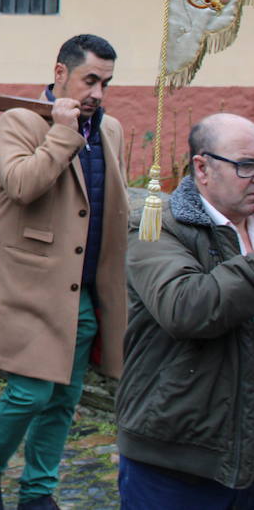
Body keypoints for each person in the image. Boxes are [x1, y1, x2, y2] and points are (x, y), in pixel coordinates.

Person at [0, 34, 127, 510]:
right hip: (33, 288)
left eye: (106, 83)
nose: (98, 93)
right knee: (30, 392)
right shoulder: (18, 121)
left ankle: (38, 490)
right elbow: (20, 187)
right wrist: (61, 132)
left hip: (87, 290)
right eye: (90, 80)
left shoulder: (111, 130)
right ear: (60, 74)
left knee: (64, 398)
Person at [117, 113, 254, 507]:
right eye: (245, 165)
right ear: (203, 167)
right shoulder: (157, 227)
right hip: (176, 457)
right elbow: (188, 309)